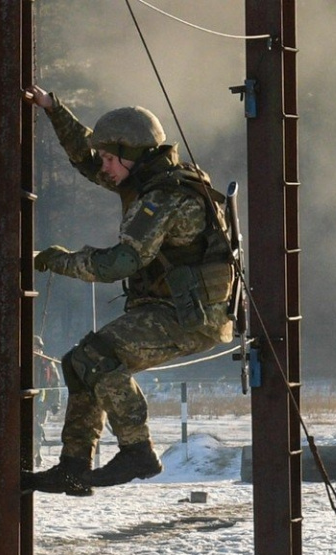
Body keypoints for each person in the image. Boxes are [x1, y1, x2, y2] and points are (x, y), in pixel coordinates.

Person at [22, 85, 235, 497]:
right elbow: (88, 157)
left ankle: (137, 450)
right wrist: (53, 110)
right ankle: (73, 466)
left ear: (129, 154)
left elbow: (120, 263)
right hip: (175, 308)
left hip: (189, 317)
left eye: (109, 159)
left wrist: (54, 260)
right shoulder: (148, 175)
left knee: (95, 356)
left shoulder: (165, 197)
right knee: (77, 363)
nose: (103, 167)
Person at [32, 335, 63, 468]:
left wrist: (56, 403)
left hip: (41, 403)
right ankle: (34, 454)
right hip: (24, 402)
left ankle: (35, 454)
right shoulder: (22, 361)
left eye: (36, 347)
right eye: (32, 347)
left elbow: (55, 384)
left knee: (36, 429)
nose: (34, 350)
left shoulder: (47, 363)